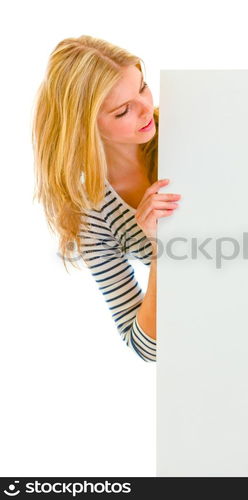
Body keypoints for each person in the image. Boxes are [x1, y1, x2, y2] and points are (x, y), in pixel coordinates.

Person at [32, 35, 181, 362]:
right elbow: (148, 348)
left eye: (142, 88)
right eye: (123, 110)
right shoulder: (93, 214)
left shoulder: (185, 128)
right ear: (86, 128)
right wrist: (162, 247)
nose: (146, 109)